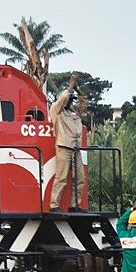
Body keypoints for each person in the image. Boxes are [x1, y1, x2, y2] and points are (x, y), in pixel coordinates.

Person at [49, 74, 84, 211]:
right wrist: (70, 87)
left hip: (76, 148)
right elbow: (62, 99)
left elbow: (83, 103)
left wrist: (77, 89)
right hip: (63, 147)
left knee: (80, 178)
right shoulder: (56, 111)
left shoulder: (74, 113)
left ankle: (75, 205)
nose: (71, 101)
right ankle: (54, 205)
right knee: (61, 177)